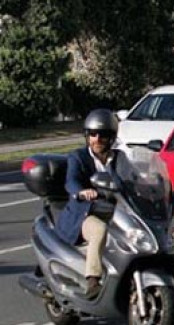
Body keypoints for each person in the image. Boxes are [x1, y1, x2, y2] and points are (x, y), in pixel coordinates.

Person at [57, 109, 120, 299]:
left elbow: (131, 177)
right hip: (85, 213)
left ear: (112, 137)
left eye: (103, 135)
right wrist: (81, 192)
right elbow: (71, 181)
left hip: (114, 210)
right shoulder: (78, 157)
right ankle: (93, 280)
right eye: (93, 134)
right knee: (99, 230)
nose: (97, 139)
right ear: (87, 136)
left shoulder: (119, 158)